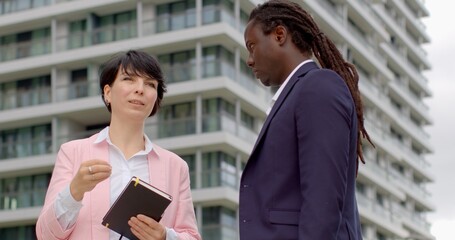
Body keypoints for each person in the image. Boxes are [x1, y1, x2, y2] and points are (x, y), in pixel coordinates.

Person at [239, 0, 374, 239]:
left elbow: (323, 201)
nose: (249, 60)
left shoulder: (317, 87)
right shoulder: (297, 95)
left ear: (279, 35)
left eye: (252, 46)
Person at [36, 50, 201, 240]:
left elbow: (192, 236)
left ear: (156, 99)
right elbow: (45, 235)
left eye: (150, 84)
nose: (140, 89)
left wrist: (165, 236)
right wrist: (74, 191)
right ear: (107, 92)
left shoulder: (175, 166)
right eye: (129, 79)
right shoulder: (72, 153)